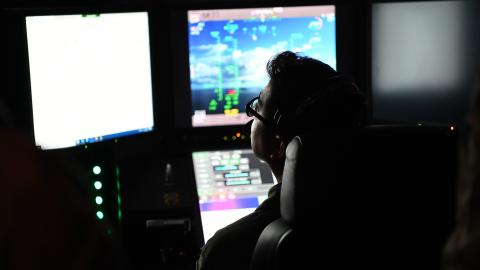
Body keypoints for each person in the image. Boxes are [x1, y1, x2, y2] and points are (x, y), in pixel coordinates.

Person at [196, 51, 365, 270]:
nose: (251, 120)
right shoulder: (387, 217)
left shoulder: (225, 250)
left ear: (278, 144)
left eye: (257, 108)